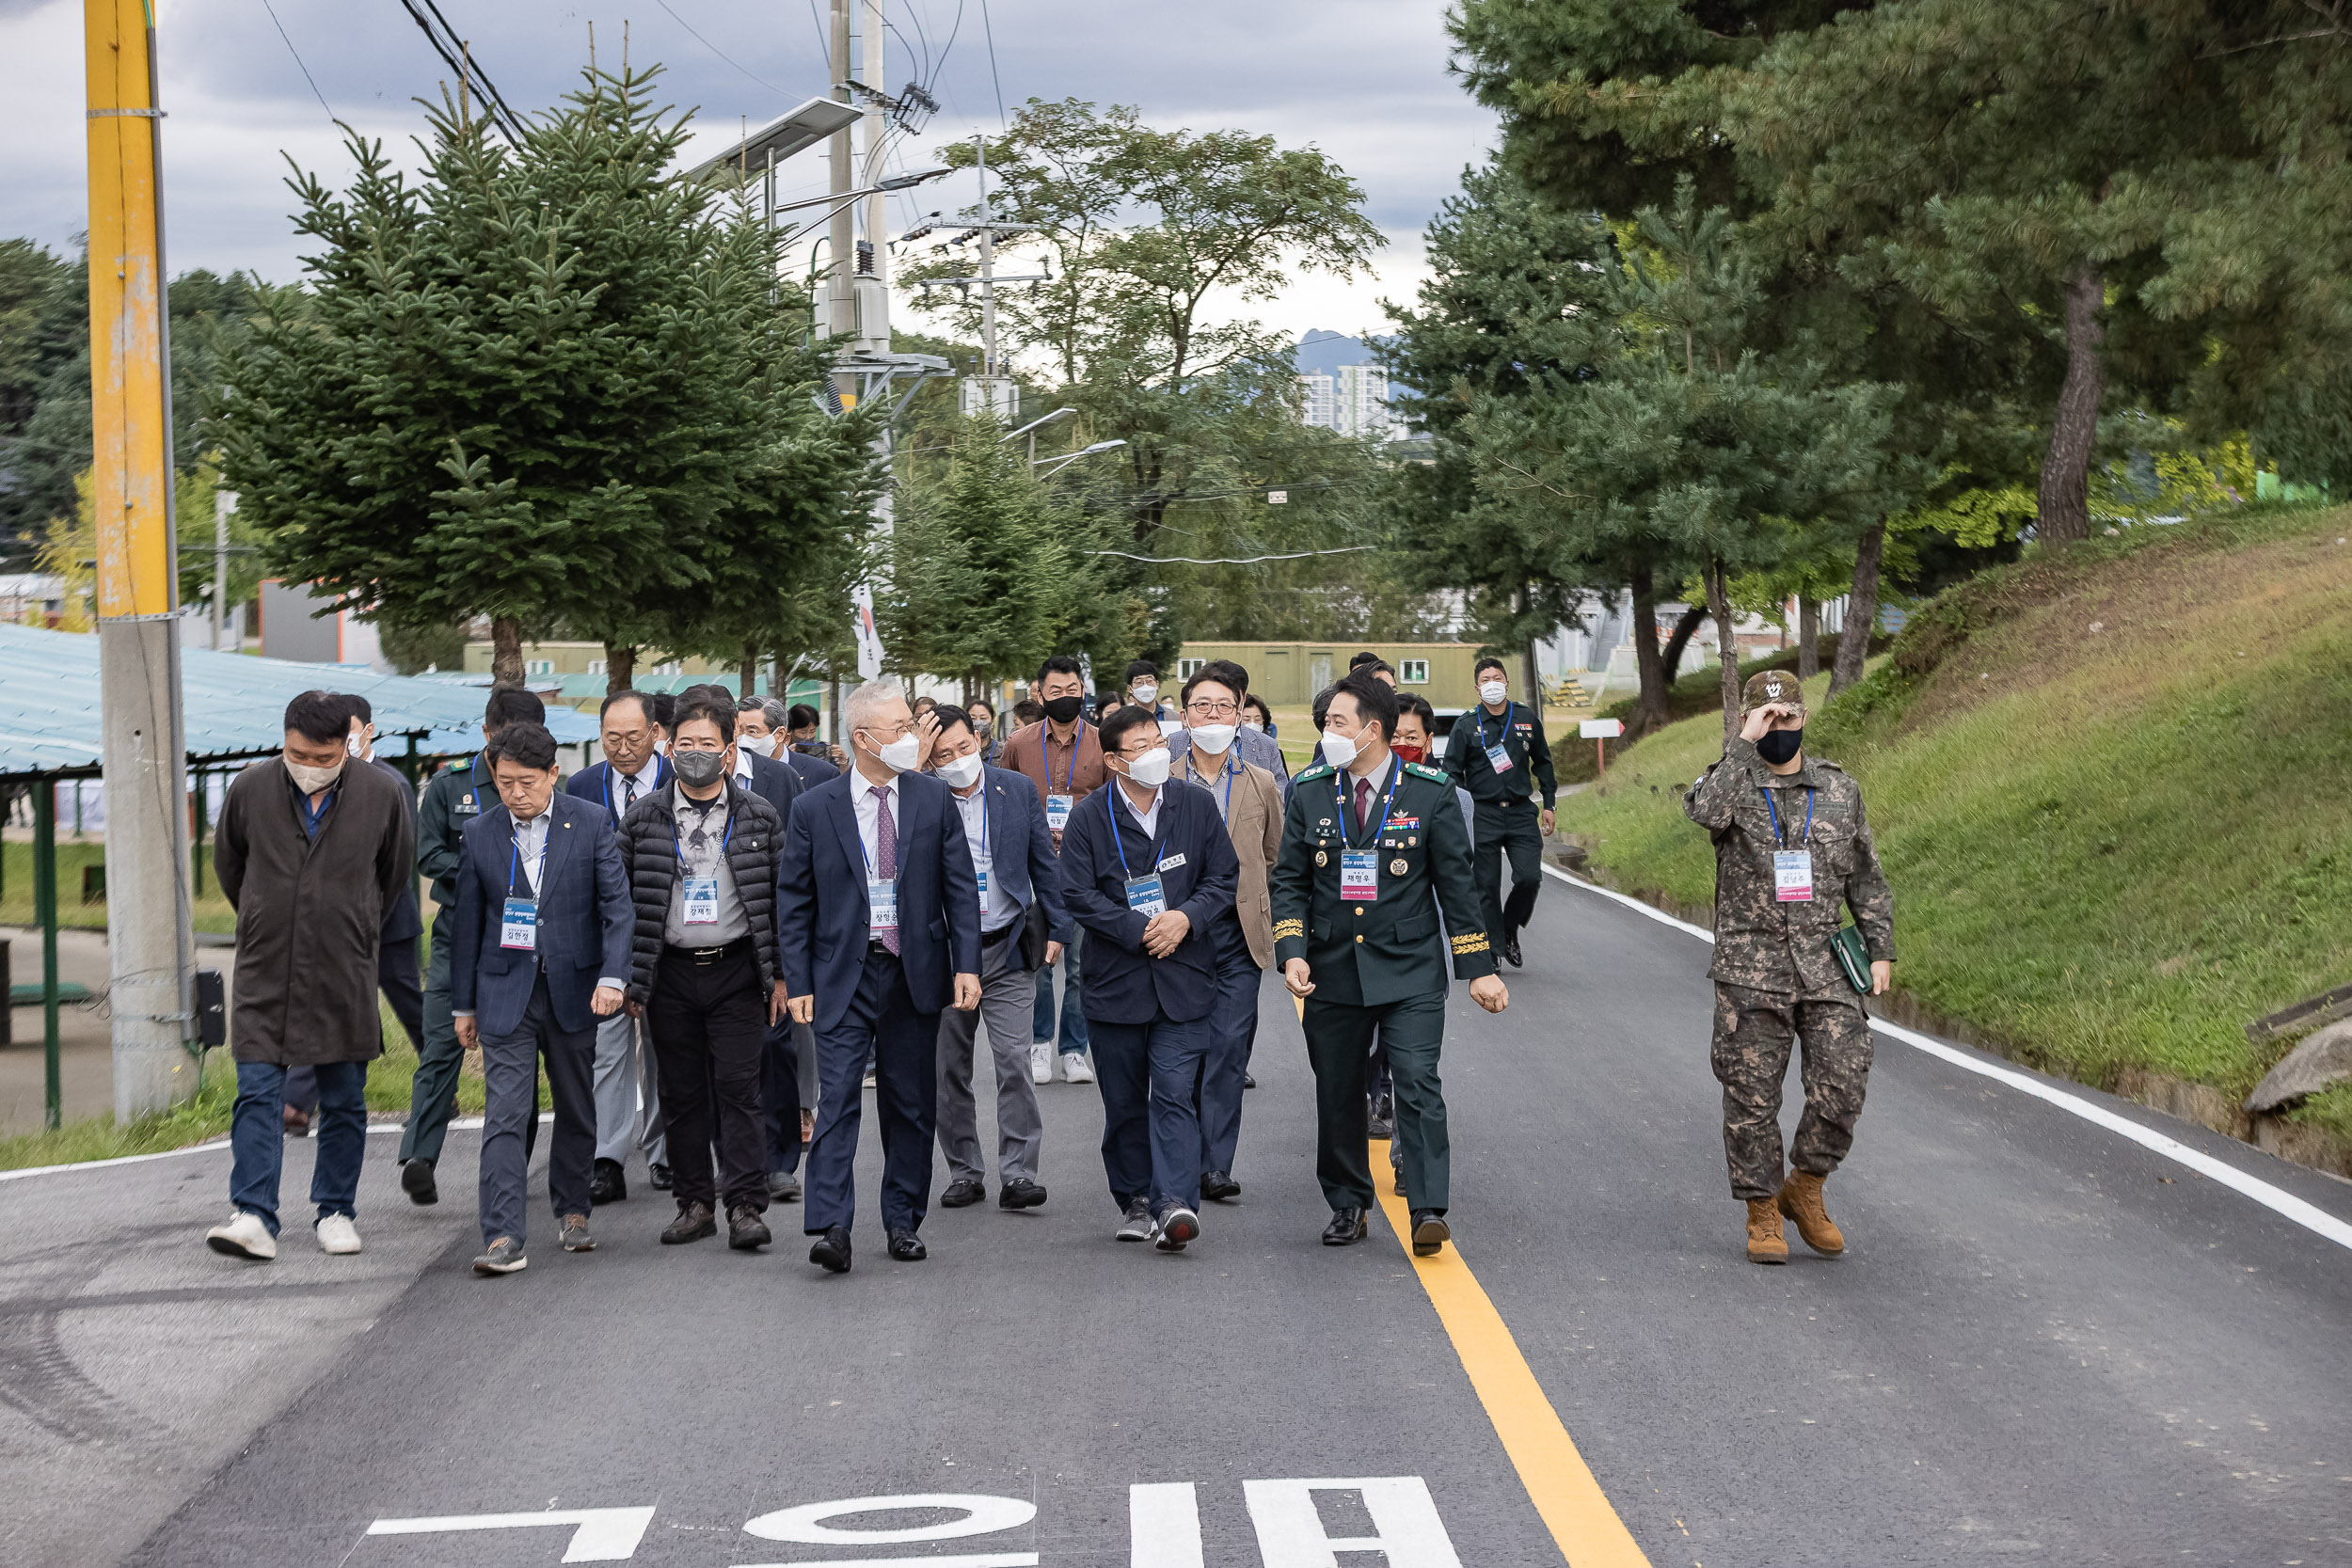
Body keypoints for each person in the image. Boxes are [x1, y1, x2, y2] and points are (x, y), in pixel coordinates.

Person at [1271, 672, 1506, 1256]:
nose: (1328, 733)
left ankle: (1427, 1207)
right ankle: (1348, 1202)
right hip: (1331, 967)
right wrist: (1292, 953)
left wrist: (1478, 966)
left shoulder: (1429, 792)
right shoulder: (1310, 789)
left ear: (1371, 731)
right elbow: (1290, 882)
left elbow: (1458, 885)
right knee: (1339, 1089)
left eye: (1336, 724)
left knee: (1418, 1081)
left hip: (1409, 968)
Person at [1683, 669, 1896, 1264]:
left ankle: (1805, 1187)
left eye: (1789, 718)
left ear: (1805, 718)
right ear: (1752, 721)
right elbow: (1702, 812)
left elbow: (1866, 874)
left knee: (1844, 1080)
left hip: (1826, 964)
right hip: (1752, 969)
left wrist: (1879, 948)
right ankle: (1761, 1212)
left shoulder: (1838, 789)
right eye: (1768, 718)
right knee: (1751, 1098)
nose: (1781, 728)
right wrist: (1741, 744)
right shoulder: (1729, 782)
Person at [776, 680, 983, 1272]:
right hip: (843, 973)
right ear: (864, 739)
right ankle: (832, 1226)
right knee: (836, 1100)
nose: (913, 739)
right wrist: (799, 981)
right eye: (902, 730)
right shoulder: (815, 807)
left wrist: (965, 965)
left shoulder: (930, 798)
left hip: (913, 971)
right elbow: (794, 902)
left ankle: (902, 1219)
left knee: (909, 1102)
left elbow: (960, 888)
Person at [204, 691, 415, 1262]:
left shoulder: (381, 795)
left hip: (343, 968)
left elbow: (392, 877)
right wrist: (262, 917)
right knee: (257, 1093)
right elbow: (231, 867)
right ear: (285, 741)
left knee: (344, 1098)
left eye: (325, 757)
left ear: (346, 747)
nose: (312, 767)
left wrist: (356, 923)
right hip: (265, 967)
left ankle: (336, 1210)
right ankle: (252, 1214)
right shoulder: (250, 789)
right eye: (300, 754)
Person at [450, 721, 633, 1275]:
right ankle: (503, 1235)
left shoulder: (592, 823)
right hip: (505, 989)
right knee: (505, 1114)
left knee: (577, 1104)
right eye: (505, 783)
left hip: (576, 988)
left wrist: (613, 977)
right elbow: (467, 927)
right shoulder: (481, 833)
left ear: (554, 774)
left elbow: (617, 909)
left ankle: (573, 1210)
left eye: (527, 782)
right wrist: (464, 1005)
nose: (516, 794)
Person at [1059, 705, 1239, 1251]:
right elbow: (1076, 894)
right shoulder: (1091, 816)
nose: (1156, 751)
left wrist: (1186, 918)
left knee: (1175, 1094)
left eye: (1157, 740)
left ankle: (1175, 1203)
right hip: (1117, 983)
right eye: (1140, 746)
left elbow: (1223, 875)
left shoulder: (1194, 804)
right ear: (1114, 760)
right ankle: (1135, 1196)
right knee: (1125, 1100)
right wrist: (1136, 929)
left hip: (1184, 977)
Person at [615, 693, 788, 1251]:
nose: (695, 754)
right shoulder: (642, 820)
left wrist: (781, 977)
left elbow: (784, 902)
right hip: (669, 974)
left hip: (737, 970)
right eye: (685, 744)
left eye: (707, 745)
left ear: (729, 751)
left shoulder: (759, 814)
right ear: (667, 749)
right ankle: (693, 1203)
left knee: (740, 1089)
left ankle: (744, 1205)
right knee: (681, 1093)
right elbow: (619, 904)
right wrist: (632, 979)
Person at [400, 687, 547, 1207]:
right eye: (506, 741)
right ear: (486, 735)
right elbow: (428, 853)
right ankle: (419, 1156)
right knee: (441, 1042)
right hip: (459, 934)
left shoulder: (549, 789)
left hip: (523, 941)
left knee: (519, 1052)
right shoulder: (449, 786)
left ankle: (516, 1164)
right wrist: (480, 872)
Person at [927, 707, 1069, 1212]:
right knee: (949, 1068)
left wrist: (1056, 925)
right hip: (944, 954)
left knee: (1013, 1061)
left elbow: (1041, 861)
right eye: (943, 754)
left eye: (964, 747)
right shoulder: (922, 796)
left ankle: (1019, 1173)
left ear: (980, 739)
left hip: (1007, 945)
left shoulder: (1015, 788)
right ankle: (964, 1171)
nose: (958, 759)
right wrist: (922, 769)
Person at [282, 696, 425, 1133]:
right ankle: (297, 1103)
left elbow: (397, 864)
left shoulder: (388, 783)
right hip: (341, 928)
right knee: (330, 1004)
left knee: (413, 1011)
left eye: (348, 735)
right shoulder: (330, 783)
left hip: (389, 924)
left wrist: (368, 917)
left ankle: (441, 1087)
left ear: (368, 733)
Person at [1168, 668, 1281, 1204]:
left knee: (1230, 1048)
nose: (1212, 716)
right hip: (1181, 934)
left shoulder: (1260, 781)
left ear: (1240, 715)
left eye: (1224, 707)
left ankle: (1216, 1164)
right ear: (1184, 715)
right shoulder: (1162, 780)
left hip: (1240, 935)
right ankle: (1180, 1157)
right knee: (1184, 1049)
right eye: (1202, 706)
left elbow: (1275, 856)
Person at [566, 689, 672, 1203]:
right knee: (606, 1052)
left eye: (633, 737)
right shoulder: (582, 786)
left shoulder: (682, 782)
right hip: (603, 941)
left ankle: (663, 1152)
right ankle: (607, 1157)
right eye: (612, 738)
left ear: (656, 733)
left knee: (661, 1048)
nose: (623, 747)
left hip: (664, 938)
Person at [1000, 655, 1105, 1085]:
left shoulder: (1103, 742)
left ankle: (1074, 1049)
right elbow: (1002, 800)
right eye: (1056, 691)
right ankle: (1039, 1042)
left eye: (1073, 689)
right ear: (1039, 693)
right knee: (1039, 960)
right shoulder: (1018, 744)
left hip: (1086, 868)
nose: (1066, 697)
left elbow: (1113, 802)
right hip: (1032, 869)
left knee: (1082, 964)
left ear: (1083, 690)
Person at [1441, 656, 1557, 971]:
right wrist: (1463, 807)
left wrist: (1549, 803)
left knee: (1529, 877)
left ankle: (1509, 927)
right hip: (1484, 813)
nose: (1492, 684)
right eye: (1485, 680)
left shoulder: (1525, 718)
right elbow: (1451, 771)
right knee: (1486, 885)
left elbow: (1543, 762)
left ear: (1506, 682)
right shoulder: (1466, 726)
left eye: (1497, 678)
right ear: (1477, 688)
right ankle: (1492, 947)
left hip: (1521, 812)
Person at [1167, 658, 1290, 806]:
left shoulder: (1266, 746)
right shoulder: (1174, 742)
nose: (1214, 713)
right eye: (1203, 704)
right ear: (1184, 715)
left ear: (1241, 700)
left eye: (1224, 704)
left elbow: (1280, 803)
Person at [783, 703, 844, 789]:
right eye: (802, 732)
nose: (808, 737)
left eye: (812, 731)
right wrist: (787, 756)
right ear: (790, 730)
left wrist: (843, 762)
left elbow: (841, 781)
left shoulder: (824, 750)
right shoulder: (780, 751)